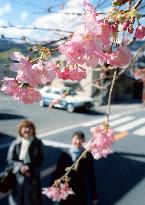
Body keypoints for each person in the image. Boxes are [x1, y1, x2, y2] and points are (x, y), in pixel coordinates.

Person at [53, 131, 98, 205]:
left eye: (81, 139)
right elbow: (58, 172)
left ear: (83, 141)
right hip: (65, 188)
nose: (78, 141)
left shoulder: (87, 155)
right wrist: (54, 189)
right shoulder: (65, 153)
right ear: (72, 140)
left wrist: (94, 195)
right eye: (76, 139)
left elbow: (91, 175)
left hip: (80, 189)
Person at [7, 120, 44, 205]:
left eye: (29, 127)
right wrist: (20, 167)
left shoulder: (37, 142)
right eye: (24, 127)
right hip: (17, 177)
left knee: (32, 199)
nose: (27, 130)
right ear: (20, 130)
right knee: (17, 200)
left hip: (33, 177)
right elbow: (10, 159)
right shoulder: (16, 143)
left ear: (33, 130)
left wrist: (29, 168)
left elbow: (41, 159)